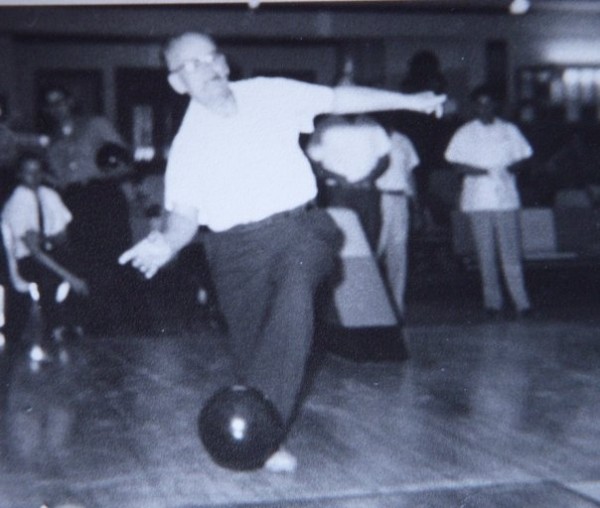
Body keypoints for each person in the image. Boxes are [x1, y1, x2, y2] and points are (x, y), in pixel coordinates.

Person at [118, 31, 445, 472]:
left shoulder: (269, 94)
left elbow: (338, 99)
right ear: (178, 83)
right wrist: (166, 242)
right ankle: (259, 425)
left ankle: (264, 437)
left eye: (212, 58)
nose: (209, 68)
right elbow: (184, 218)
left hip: (301, 228)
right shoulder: (187, 146)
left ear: (225, 64)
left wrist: (408, 101)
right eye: (192, 65)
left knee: (295, 291)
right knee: (254, 350)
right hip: (234, 249)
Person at [41, 87, 133, 334]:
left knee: (114, 258)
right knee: (86, 261)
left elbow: (123, 158)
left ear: (70, 101)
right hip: (74, 201)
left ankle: (126, 326)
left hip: (102, 195)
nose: (56, 108)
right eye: (50, 105)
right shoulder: (53, 140)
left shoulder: (95, 124)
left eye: (60, 101)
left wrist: (114, 175)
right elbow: (58, 178)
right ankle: (96, 326)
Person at [444, 85, 532, 318]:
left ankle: (521, 302)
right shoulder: (465, 132)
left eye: (489, 103)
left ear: (496, 105)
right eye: (480, 104)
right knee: (485, 254)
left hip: (505, 199)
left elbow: (523, 158)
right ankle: (493, 302)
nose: (485, 108)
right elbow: (456, 164)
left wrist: (507, 169)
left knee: (510, 253)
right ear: (474, 107)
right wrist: (483, 172)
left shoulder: (509, 130)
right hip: (478, 200)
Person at [1, 152, 88, 363]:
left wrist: (69, 261)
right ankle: (54, 327)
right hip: (25, 260)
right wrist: (69, 276)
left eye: (38, 171)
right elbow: (34, 251)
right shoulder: (19, 200)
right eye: (29, 172)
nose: (35, 176)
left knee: (88, 266)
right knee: (47, 275)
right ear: (20, 175)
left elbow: (62, 236)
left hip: (48, 253)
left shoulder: (48, 195)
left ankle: (77, 324)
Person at [375, 128, 420, 320]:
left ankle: (396, 306)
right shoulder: (370, 133)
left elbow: (409, 173)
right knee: (375, 251)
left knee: (398, 253)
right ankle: (371, 307)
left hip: (400, 200)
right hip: (377, 199)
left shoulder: (403, 139)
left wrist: (416, 205)